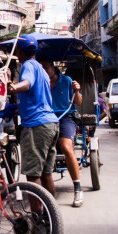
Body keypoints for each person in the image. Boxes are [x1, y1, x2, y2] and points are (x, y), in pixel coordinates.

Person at [6, 34, 60, 201]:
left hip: (37, 126)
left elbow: (27, 84)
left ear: (20, 51)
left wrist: (13, 87)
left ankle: (38, 221)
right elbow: (36, 97)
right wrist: (15, 108)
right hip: (51, 123)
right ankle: (51, 215)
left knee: (32, 176)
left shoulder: (28, 66)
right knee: (46, 173)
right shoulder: (41, 70)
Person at [41, 61, 84, 207]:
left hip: (66, 116)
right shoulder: (41, 83)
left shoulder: (66, 80)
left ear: (53, 68)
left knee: (66, 147)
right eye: (42, 69)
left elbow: (78, 102)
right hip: (46, 118)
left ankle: (78, 189)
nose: (44, 71)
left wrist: (77, 91)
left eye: (46, 67)